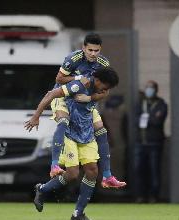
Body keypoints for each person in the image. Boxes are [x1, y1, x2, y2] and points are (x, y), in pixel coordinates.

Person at [25, 67, 119, 220]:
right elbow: (51, 94)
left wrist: (90, 98)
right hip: (70, 127)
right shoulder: (79, 85)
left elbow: (103, 91)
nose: (105, 91)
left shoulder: (98, 83)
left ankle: (78, 213)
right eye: (105, 87)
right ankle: (45, 184)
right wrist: (36, 116)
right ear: (98, 81)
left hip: (84, 123)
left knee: (92, 170)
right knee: (73, 173)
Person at [49, 32, 126, 188]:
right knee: (63, 123)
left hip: (85, 103)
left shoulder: (104, 63)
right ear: (83, 47)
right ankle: (54, 164)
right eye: (90, 50)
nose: (93, 54)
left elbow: (106, 90)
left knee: (102, 131)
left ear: (100, 49)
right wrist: (78, 78)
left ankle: (107, 176)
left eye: (96, 50)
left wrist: (89, 99)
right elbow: (59, 79)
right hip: (65, 99)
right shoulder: (73, 59)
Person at [134, 80, 167, 203]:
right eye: (147, 88)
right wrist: (153, 117)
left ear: (156, 90)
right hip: (140, 143)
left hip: (154, 143)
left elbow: (158, 121)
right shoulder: (140, 104)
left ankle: (154, 196)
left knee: (154, 170)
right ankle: (140, 196)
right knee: (139, 170)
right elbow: (136, 121)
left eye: (151, 88)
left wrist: (149, 118)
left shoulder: (161, 104)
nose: (149, 90)